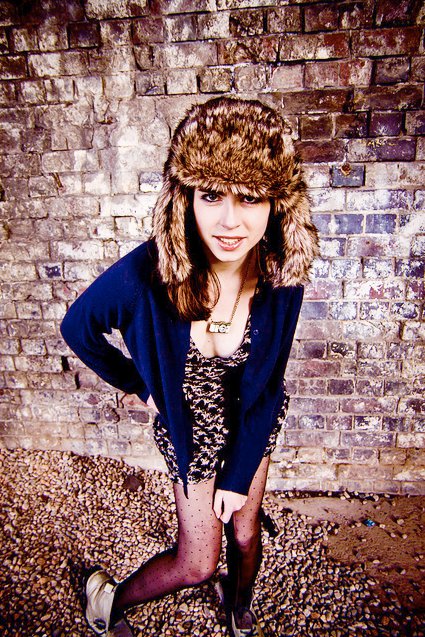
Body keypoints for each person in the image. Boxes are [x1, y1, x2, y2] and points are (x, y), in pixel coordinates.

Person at [60, 96, 319, 637]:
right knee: (198, 562)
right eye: (212, 195)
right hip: (189, 427)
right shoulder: (146, 274)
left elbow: (269, 382)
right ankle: (109, 599)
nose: (230, 221)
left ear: (277, 202)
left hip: (250, 418)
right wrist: (139, 385)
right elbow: (78, 328)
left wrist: (240, 473)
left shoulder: (281, 274)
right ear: (186, 197)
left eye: (251, 197)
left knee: (245, 533)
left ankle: (238, 605)